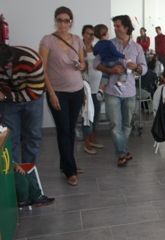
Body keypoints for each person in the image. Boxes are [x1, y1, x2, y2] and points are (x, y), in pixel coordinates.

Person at [39, 6, 86, 186]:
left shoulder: (77, 39)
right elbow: (42, 69)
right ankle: (70, 171)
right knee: (63, 130)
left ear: (71, 22)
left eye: (67, 20)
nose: (63, 23)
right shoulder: (48, 40)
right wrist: (51, 94)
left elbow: (82, 62)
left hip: (76, 90)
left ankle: (67, 163)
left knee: (70, 130)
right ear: (55, 20)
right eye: (60, 20)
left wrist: (81, 66)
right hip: (58, 92)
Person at [94, 15, 147, 167]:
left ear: (126, 27)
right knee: (115, 125)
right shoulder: (107, 44)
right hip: (112, 92)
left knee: (127, 125)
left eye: (118, 26)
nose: (115, 28)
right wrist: (111, 69)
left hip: (130, 92)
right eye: (114, 26)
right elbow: (96, 64)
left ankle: (122, 150)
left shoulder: (137, 48)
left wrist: (136, 67)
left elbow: (144, 69)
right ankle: (122, 154)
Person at [0, 43, 45, 166]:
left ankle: (28, 173)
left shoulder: (31, 60)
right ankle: (14, 176)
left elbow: (35, 92)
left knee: (32, 137)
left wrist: (6, 96)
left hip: (33, 100)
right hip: (8, 103)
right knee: (10, 139)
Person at [81, 25, 104, 155]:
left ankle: (92, 139)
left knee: (96, 115)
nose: (90, 36)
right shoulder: (79, 48)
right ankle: (87, 143)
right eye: (88, 34)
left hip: (97, 87)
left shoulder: (96, 48)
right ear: (83, 34)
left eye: (92, 34)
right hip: (86, 88)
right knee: (87, 116)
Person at [93, 24, 128, 97]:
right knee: (124, 70)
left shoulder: (97, 44)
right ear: (105, 34)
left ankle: (100, 91)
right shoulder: (109, 43)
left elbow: (95, 53)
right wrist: (123, 56)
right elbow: (115, 52)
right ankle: (118, 84)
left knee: (105, 76)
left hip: (105, 63)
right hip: (114, 62)